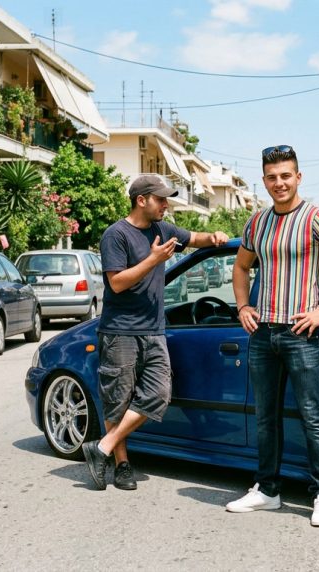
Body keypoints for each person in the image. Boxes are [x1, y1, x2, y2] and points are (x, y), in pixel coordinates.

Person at [225, 145, 319, 527]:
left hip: (302, 334)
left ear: (298, 177)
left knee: (313, 417)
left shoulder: (316, 218)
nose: (279, 183)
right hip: (262, 334)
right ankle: (267, 490)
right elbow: (241, 267)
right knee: (265, 418)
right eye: (272, 177)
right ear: (264, 180)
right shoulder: (257, 222)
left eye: (286, 175)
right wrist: (243, 306)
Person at [82, 175, 229, 491]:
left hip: (154, 330)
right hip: (120, 332)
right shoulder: (116, 235)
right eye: (161, 199)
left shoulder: (163, 229)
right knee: (117, 400)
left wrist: (214, 237)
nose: (166, 205)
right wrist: (153, 259)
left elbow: (195, 238)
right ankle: (121, 464)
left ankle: (102, 447)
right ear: (141, 200)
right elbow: (116, 283)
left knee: (159, 394)